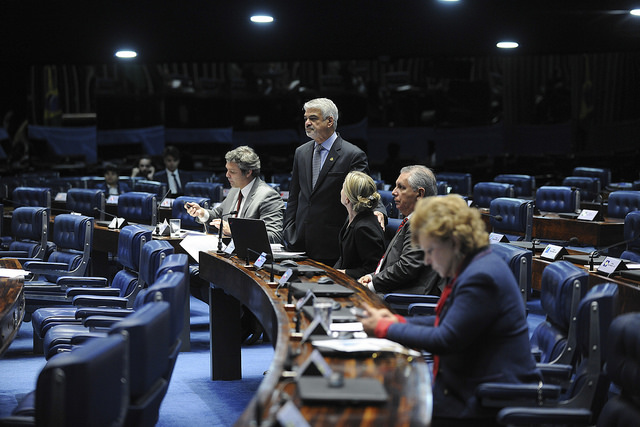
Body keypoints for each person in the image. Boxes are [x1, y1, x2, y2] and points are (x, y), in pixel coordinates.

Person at [359, 195, 541, 425]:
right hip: (467, 385)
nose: (427, 260)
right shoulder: (473, 265)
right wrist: (397, 321)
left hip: (484, 398)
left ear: (453, 243)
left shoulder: (480, 277)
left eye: (430, 251)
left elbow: (446, 338)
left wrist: (386, 327)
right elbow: (444, 321)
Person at [284, 97, 385, 266]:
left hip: (331, 245)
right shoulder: (300, 152)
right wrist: (289, 230)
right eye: (306, 119)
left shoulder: (352, 154)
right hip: (299, 242)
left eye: (313, 118)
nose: (307, 123)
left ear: (330, 121)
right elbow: (295, 196)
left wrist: (379, 211)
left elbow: (364, 192)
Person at [358, 165, 443, 295]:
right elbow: (397, 263)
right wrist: (372, 276)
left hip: (403, 299)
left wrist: (372, 285)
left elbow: (407, 268)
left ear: (420, 194)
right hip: (394, 291)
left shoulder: (423, 222)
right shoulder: (417, 218)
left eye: (401, 187)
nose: (393, 192)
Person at [184, 146, 284, 244]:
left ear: (248, 172)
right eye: (227, 170)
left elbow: (274, 236)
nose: (227, 175)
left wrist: (234, 231)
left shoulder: (268, 196)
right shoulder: (235, 189)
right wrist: (202, 213)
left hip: (251, 257)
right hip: (228, 252)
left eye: (232, 171)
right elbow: (218, 215)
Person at [334, 171, 385, 280]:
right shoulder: (352, 218)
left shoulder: (364, 228)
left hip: (360, 287)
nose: (340, 191)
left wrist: (343, 272)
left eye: (343, 188)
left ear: (347, 199)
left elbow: (373, 269)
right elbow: (344, 258)